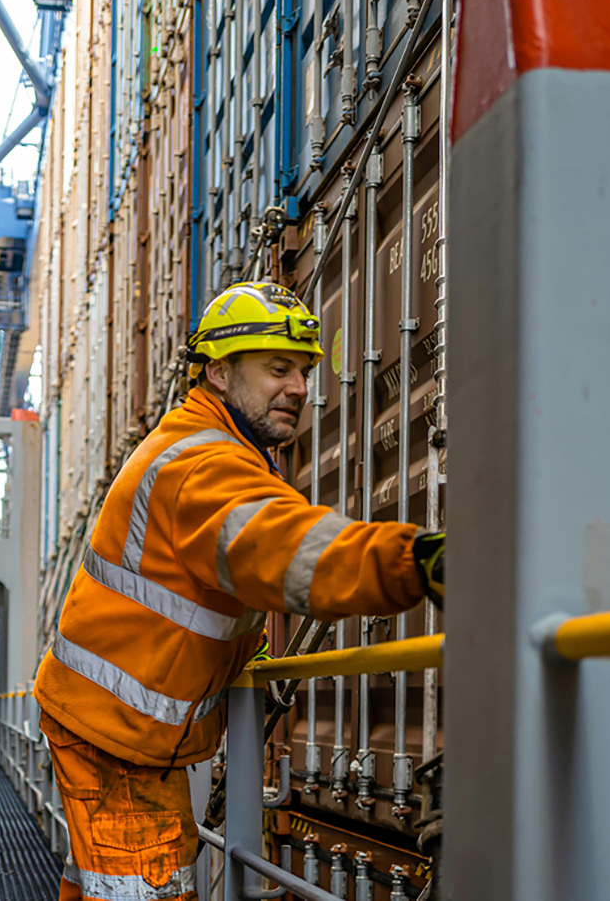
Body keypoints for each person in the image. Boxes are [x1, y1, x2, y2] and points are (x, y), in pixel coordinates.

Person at [33, 282, 446, 901]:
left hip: (120, 726)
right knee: (145, 890)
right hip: (120, 735)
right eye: (277, 368)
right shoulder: (202, 465)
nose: (300, 388)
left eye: (304, 371)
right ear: (220, 373)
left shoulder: (215, 446)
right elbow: (288, 551)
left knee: (105, 884)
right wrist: (415, 561)